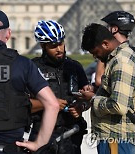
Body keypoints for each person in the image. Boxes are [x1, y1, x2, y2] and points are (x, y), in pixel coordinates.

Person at [0, 9, 59, 153]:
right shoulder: (22, 64)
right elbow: (52, 104)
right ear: (8, 34)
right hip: (11, 145)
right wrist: (39, 144)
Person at [80, 23, 135, 154]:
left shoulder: (121, 62)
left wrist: (93, 98)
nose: (95, 57)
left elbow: (118, 105)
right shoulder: (119, 58)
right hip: (115, 137)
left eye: (95, 52)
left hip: (116, 138)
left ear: (105, 44)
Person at [29, 20, 90, 154]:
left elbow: (87, 98)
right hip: (42, 134)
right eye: (53, 45)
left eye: (61, 43)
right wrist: (49, 104)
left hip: (71, 135)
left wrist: (82, 106)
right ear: (43, 46)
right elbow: (21, 103)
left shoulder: (75, 67)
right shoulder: (31, 68)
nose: (59, 49)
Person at [94, 11, 135, 89]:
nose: (106, 30)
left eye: (108, 27)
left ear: (115, 29)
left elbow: (98, 80)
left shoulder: (109, 51)